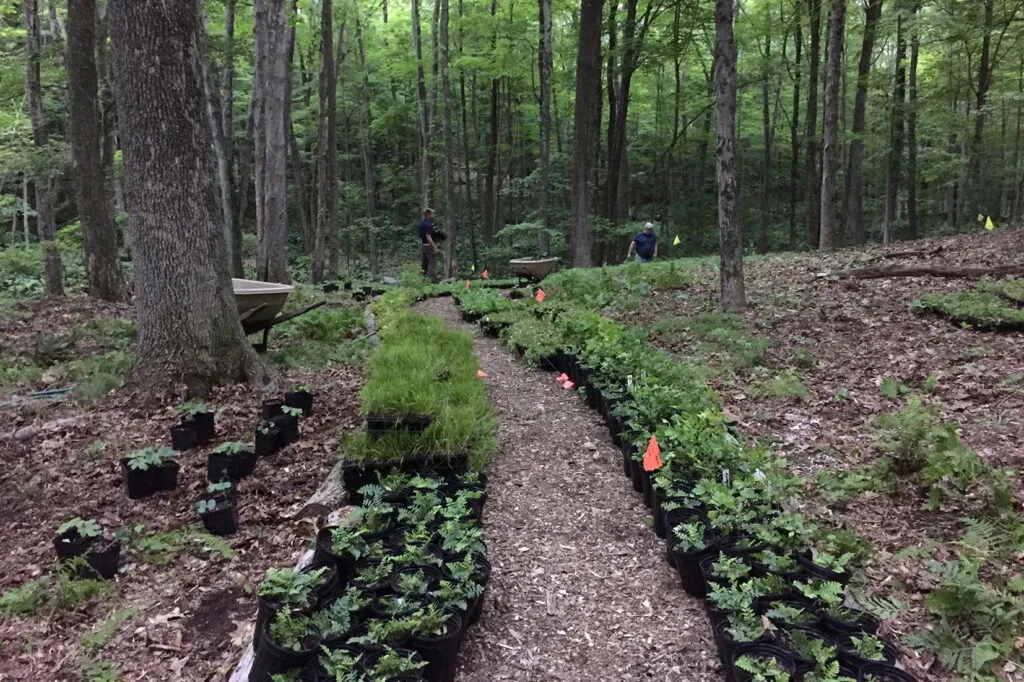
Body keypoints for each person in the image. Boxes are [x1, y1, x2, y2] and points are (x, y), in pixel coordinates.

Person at [419, 208, 439, 282]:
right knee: (432, 263)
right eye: (432, 213)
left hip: (423, 245)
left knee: (424, 263)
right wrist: (434, 247)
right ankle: (433, 280)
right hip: (429, 246)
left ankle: (423, 279)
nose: (434, 215)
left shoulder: (422, 223)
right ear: (428, 214)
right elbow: (428, 237)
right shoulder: (429, 225)